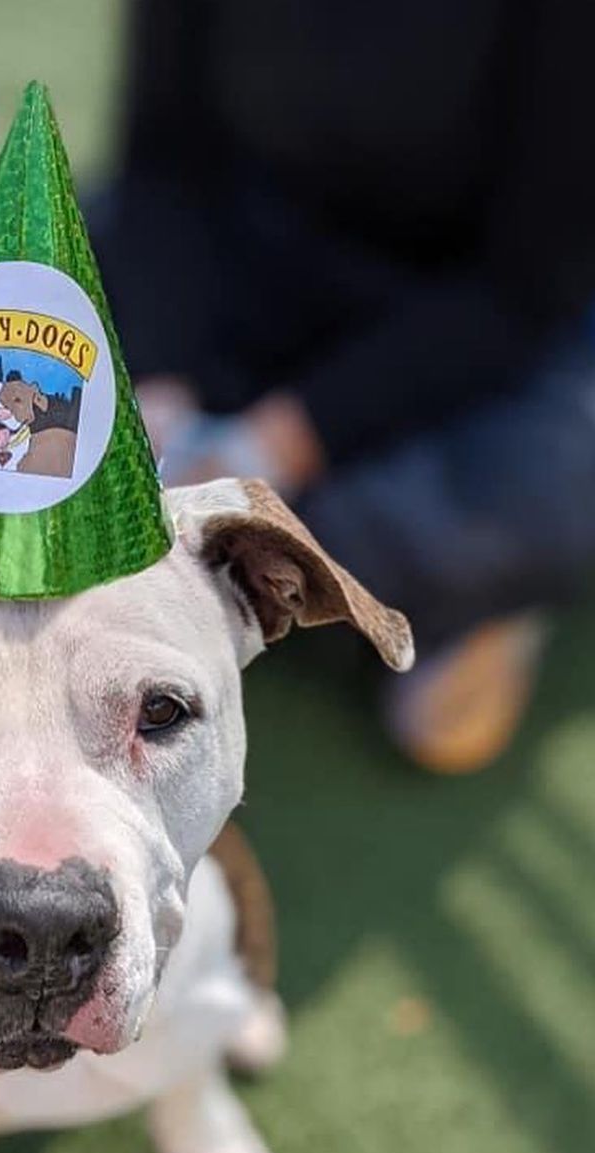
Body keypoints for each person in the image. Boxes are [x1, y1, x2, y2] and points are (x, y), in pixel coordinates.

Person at [91, 0, 595, 772]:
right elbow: (165, 165)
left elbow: (517, 295)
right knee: (23, 309)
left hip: (485, 325)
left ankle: (470, 604)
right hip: (254, 246)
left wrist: (276, 442)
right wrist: (159, 394)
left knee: (550, 495)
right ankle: (274, 567)